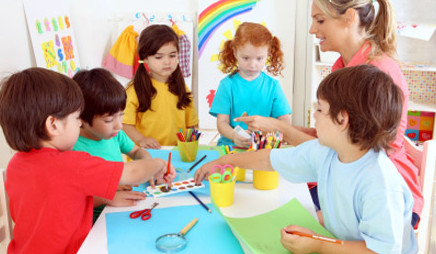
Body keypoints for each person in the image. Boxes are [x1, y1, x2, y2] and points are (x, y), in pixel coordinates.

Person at [235, 0, 423, 228]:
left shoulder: (376, 75)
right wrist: (277, 127)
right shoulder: (342, 66)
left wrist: (281, 129)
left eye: (320, 20)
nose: (312, 29)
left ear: (349, 17)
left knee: (276, 218)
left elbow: (350, 154)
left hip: (385, 200)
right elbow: (331, 137)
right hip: (351, 186)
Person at [195, 65, 417, 253]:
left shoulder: (380, 182)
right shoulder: (328, 151)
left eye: (320, 109)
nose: (314, 116)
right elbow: (269, 159)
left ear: (342, 119)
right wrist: (223, 163)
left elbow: (379, 250)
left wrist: (318, 244)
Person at [0, 67, 176, 253]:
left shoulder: (15, 164)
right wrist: (159, 164)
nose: (79, 124)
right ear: (53, 125)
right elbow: (132, 173)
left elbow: (57, 206)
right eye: (76, 118)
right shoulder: (72, 163)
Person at [72, 68, 162, 223]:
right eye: (108, 120)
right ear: (81, 118)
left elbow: (136, 151)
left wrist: (148, 167)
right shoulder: (72, 148)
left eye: (121, 115)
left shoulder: (113, 134)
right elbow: (72, 200)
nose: (119, 125)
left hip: (121, 210)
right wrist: (107, 195)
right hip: (94, 222)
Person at [209, 22, 292, 147]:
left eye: (259, 59)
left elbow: (284, 120)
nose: (252, 65)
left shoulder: (273, 86)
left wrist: (269, 133)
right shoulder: (227, 85)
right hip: (232, 146)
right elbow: (222, 123)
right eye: (246, 58)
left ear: (268, 54)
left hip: (264, 146)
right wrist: (234, 136)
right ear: (235, 52)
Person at [123, 24, 198, 148]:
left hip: (176, 151)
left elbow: (191, 124)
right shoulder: (134, 90)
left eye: (172, 55)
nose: (167, 61)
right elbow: (125, 124)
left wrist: (190, 145)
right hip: (146, 153)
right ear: (145, 58)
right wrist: (141, 139)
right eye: (159, 57)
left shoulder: (182, 87)